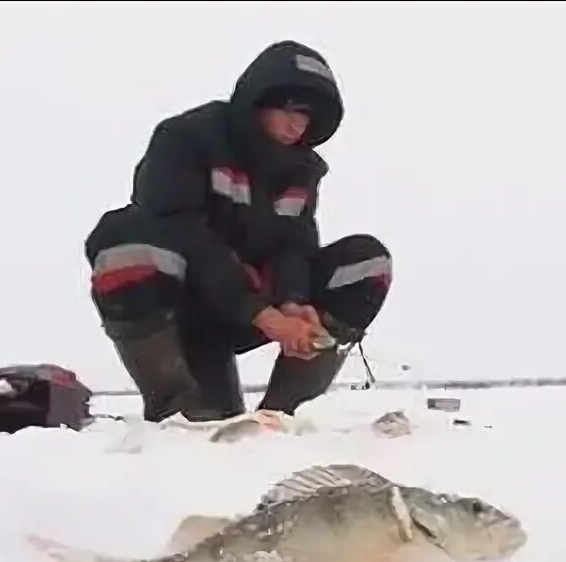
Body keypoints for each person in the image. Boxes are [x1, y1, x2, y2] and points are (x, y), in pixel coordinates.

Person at [84, 40, 392, 423]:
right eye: (291, 109)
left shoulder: (302, 171)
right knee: (126, 244)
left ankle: (281, 416)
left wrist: (292, 302)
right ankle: (178, 410)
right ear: (257, 99)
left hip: (246, 309)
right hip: (184, 303)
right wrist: (262, 313)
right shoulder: (186, 139)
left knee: (366, 262)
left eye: (309, 117)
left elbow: (294, 246)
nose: (299, 125)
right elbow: (186, 234)